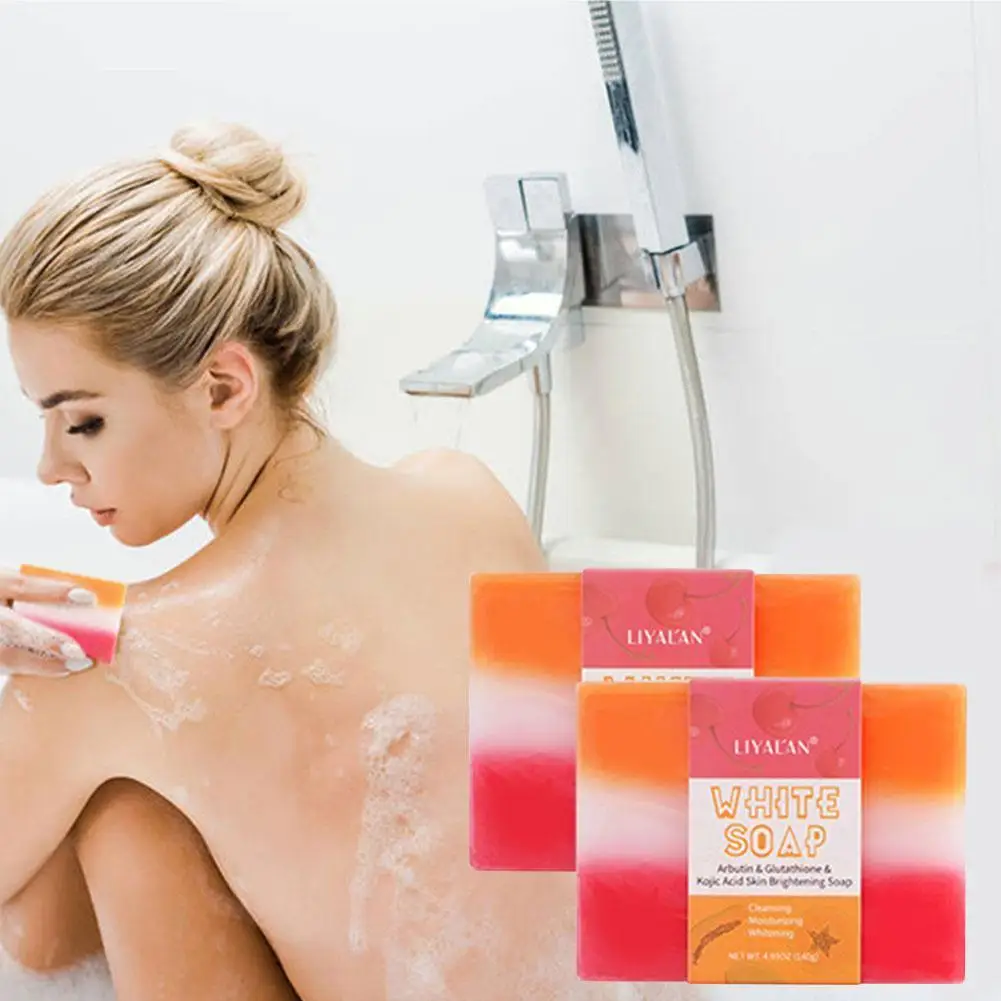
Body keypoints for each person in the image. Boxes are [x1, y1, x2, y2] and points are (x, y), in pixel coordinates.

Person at [0, 122, 690, 1001]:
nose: (51, 468)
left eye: (82, 421)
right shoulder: (468, 497)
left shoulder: (110, 654)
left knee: (124, 816)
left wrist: (78, 637)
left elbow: (37, 937)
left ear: (225, 386)